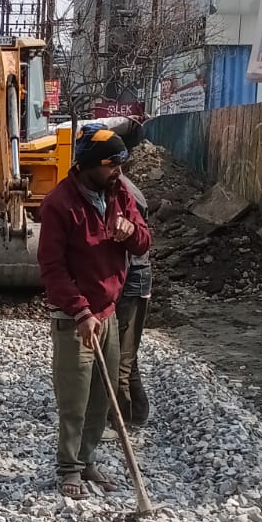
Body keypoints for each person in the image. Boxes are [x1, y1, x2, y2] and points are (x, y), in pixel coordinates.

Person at [38, 128, 151, 499]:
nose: (119, 170)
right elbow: (52, 268)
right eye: (111, 164)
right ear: (88, 165)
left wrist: (130, 231)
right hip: (74, 317)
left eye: (120, 163)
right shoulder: (59, 204)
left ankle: (86, 459)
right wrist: (81, 311)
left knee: (103, 397)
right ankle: (69, 467)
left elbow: (144, 241)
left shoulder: (119, 193)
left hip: (108, 312)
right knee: (75, 399)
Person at [116, 166, 151, 431]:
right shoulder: (120, 187)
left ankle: (121, 419)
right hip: (132, 276)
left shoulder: (124, 192)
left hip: (132, 278)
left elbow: (137, 238)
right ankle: (137, 411)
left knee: (121, 357)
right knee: (127, 354)